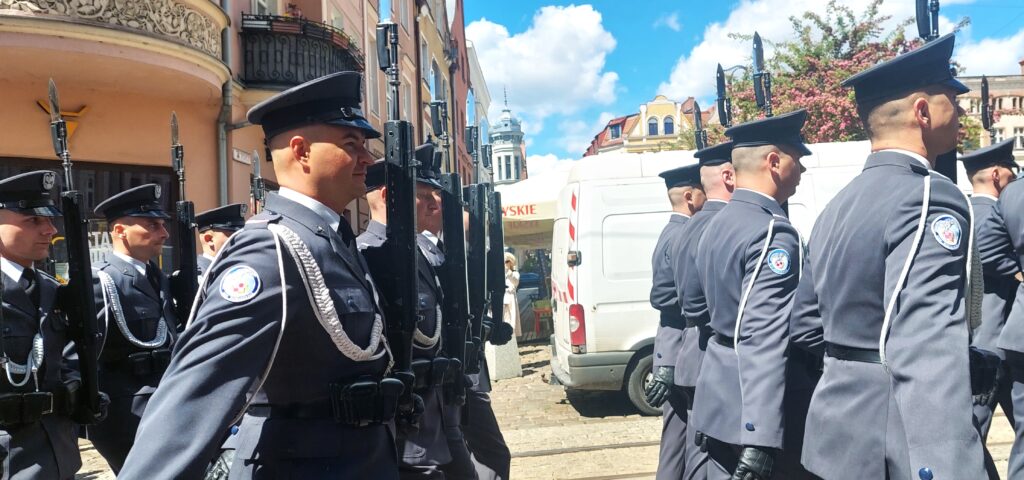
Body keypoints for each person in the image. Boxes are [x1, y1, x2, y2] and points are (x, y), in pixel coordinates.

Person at [118, 72, 400, 479]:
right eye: (351, 145)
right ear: (301, 151)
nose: (367, 159)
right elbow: (197, 389)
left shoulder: (335, 240)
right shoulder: (271, 249)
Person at [798, 33, 987, 479]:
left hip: (835, 433)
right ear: (922, 112)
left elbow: (804, 325)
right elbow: (927, 344)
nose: (960, 111)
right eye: (952, 100)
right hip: (898, 439)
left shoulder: (836, 206)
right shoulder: (929, 197)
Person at [691, 109, 815, 480]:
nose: (802, 169)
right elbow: (763, 335)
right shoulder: (772, 231)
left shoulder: (715, 223)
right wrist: (760, 435)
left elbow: (699, 310)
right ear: (774, 162)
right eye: (797, 158)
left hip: (719, 396)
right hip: (754, 405)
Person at [358, 143, 456, 479]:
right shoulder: (368, 254)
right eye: (422, 195)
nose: (434, 204)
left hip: (433, 409)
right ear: (390, 196)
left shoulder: (418, 252)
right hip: (405, 424)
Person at [0, 171, 104, 479]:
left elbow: (61, 360)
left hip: (59, 452)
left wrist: (79, 392)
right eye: (33, 220)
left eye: (49, 219)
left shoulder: (51, 289)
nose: (50, 229)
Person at [89, 183, 178, 473]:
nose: (164, 233)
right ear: (120, 231)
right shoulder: (102, 281)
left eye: (162, 225)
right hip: (128, 413)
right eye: (152, 225)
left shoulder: (159, 278)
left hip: (167, 400)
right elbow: (83, 354)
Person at [959, 138, 1021, 477]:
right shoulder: (994, 216)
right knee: (971, 440)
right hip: (995, 348)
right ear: (997, 174)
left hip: (981, 345)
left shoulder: (962, 212)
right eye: (1012, 172)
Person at [674, 141, 735, 480]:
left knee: (699, 454)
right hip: (711, 352)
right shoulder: (721, 223)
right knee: (714, 456)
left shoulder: (691, 224)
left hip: (692, 350)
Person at [644, 162, 704, 480]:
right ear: (690, 196)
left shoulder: (671, 232)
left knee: (675, 443)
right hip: (683, 350)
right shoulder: (683, 235)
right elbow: (666, 300)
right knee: (690, 443)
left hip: (673, 350)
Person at [195, 203, 247, 278]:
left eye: (241, 235)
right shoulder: (197, 278)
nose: (240, 240)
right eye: (233, 236)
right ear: (209, 239)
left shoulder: (237, 269)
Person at [503, 252, 520, 337]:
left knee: (511, 321)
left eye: (506, 261)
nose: (504, 263)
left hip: (510, 300)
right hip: (501, 301)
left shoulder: (514, 273)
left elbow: (515, 281)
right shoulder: (498, 273)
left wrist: (507, 271)